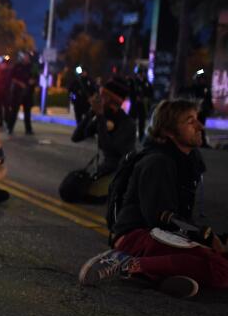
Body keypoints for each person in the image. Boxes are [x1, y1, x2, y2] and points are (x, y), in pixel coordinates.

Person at [79, 99, 227, 298]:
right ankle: (127, 262)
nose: (200, 126)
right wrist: (205, 238)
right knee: (219, 267)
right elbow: (160, 218)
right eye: (190, 121)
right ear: (168, 131)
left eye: (197, 119)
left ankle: (156, 275)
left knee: (219, 257)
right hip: (137, 237)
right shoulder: (158, 162)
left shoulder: (186, 161)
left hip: (162, 235)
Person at [66, 78, 137, 202]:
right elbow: (76, 137)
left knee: (90, 196)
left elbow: (108, 147)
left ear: (110, 100)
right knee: (70, 189)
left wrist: (99, 116)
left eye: (102, 96)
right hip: (104, 170)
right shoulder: (103, 115)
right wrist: (91, 112)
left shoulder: (127, 123)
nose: (99, 98)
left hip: (120, 173)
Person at [180, 69, 213, 148]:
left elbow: (208, 100)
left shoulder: (205, 89)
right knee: (194, 127)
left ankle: (200, 142)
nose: (202, 80)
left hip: (202, 111)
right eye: (200, 78)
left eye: (203, 78)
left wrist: (210, 108)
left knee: (200, 127)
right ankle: (197, 141)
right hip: (194, 111)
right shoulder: (193, 88)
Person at [7, 52, 36, 136]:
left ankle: (28, 129)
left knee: (27, 112)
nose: (26, 58)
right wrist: (20, 83)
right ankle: (10, 128)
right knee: (14, 111)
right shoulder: (17, 66)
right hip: (18, 92)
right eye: (25, 57)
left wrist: (33, 81)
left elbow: (36, 77)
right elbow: (11, 77)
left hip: (28, 92)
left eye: (27, 57)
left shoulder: (32, 67)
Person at [127, 67, 152, 141]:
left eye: (142, 73)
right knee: (132, 121)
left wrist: (146, 98)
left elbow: (150, 92)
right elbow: (130, 92)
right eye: (140, 73)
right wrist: (135, 97)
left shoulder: (146, 82)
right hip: (135, 104)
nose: (141, 75)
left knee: (142, 121)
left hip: (142, 105)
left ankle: (141, 136)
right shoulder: (133, 82)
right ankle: (130, 136)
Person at [0, 55, 13, 129]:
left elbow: (10, 82)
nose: (4, 65)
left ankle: (7, 121)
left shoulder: (9, 72)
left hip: (6, 92)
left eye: (5, 63)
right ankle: (1, 121)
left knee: (7, 108)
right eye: (3, 63)